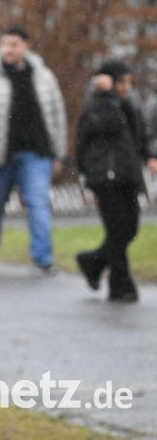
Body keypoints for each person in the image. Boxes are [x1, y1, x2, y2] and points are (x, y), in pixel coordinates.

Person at [0, 26, 67, 275]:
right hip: (0, 156)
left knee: (38, 203)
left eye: (14, 44)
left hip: (36, 153)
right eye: (5, 44)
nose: (9, 49)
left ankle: (43, 257)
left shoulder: (42, 76)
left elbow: (57, 114)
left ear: (26, 45)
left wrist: (58, 153)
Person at [75, 61, 157, 302]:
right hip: (104, 175)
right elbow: (103, 127)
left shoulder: (131, 103)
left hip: (128, 174)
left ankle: (93, 261)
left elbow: (141, 133)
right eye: (122, 83)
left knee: (130, 228)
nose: (127, 88)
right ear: (110, 82)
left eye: (129, 83)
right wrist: (106, 96)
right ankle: (121, 286)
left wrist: (151, 155)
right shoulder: (96, 105)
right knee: (117, 229)